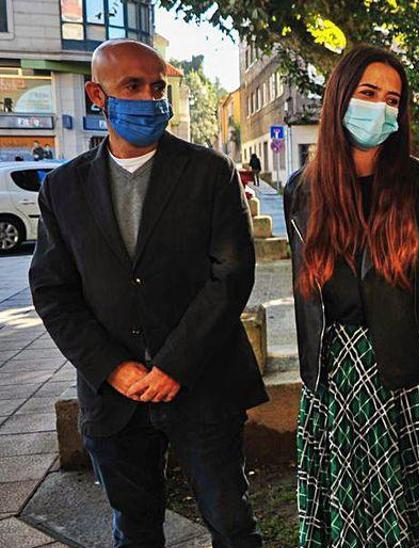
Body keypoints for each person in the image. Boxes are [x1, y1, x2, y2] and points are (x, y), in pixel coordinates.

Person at [28, 40, 266, 547]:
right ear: (97, 94)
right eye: (131, 87)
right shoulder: (64, 188)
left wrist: (174, 365)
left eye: (157, 87)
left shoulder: (209, 172)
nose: (150, 98)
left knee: (232, 524)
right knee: (134, 531)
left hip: (204, 387)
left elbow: (232, 273)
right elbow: (53, 291)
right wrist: (114, 368)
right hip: (115, 400)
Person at [284, 44, 419, 547]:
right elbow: (306, 287)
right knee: (344, 510)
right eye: (369, 93)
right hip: (332, 375)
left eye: (393, 99)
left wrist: (404, 327)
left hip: (410, 372)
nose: (382, 109)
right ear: (339, 96)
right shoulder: (301, 189)